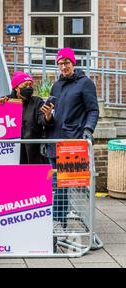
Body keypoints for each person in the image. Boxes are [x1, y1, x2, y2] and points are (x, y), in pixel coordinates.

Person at [45, 47, 99, 231]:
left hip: (72, 141)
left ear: (73, 63)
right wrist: (47, 116)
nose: (63, 67)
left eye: (66, 63)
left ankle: (58, 221)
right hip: (54, 139)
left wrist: (88, 129)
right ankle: (59, 220)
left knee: (61, 183)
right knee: (58, 183)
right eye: (60, 64)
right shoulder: (56, 85)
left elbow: (93, 110)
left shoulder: (85, 83)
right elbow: (53, 111)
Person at [0, 72, 52, 164]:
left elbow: (42, 120)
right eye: (25, 85)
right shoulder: (6, 101)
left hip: (33, 150)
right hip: (11, 151)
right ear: (16, 88)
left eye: (30, 84)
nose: (28, 87)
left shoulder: (37, 102)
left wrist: (47, 115)